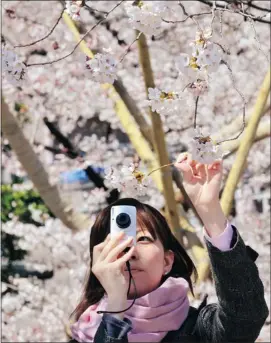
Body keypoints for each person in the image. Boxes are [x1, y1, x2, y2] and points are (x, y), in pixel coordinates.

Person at [69, 153, 269, 343]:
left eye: (144, 239)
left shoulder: (198, 329)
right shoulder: (84, 333)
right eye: (116, 242)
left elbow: (245, 319)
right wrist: (116, 307)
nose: (130, 251)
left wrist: (211, 212)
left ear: (167, 261)